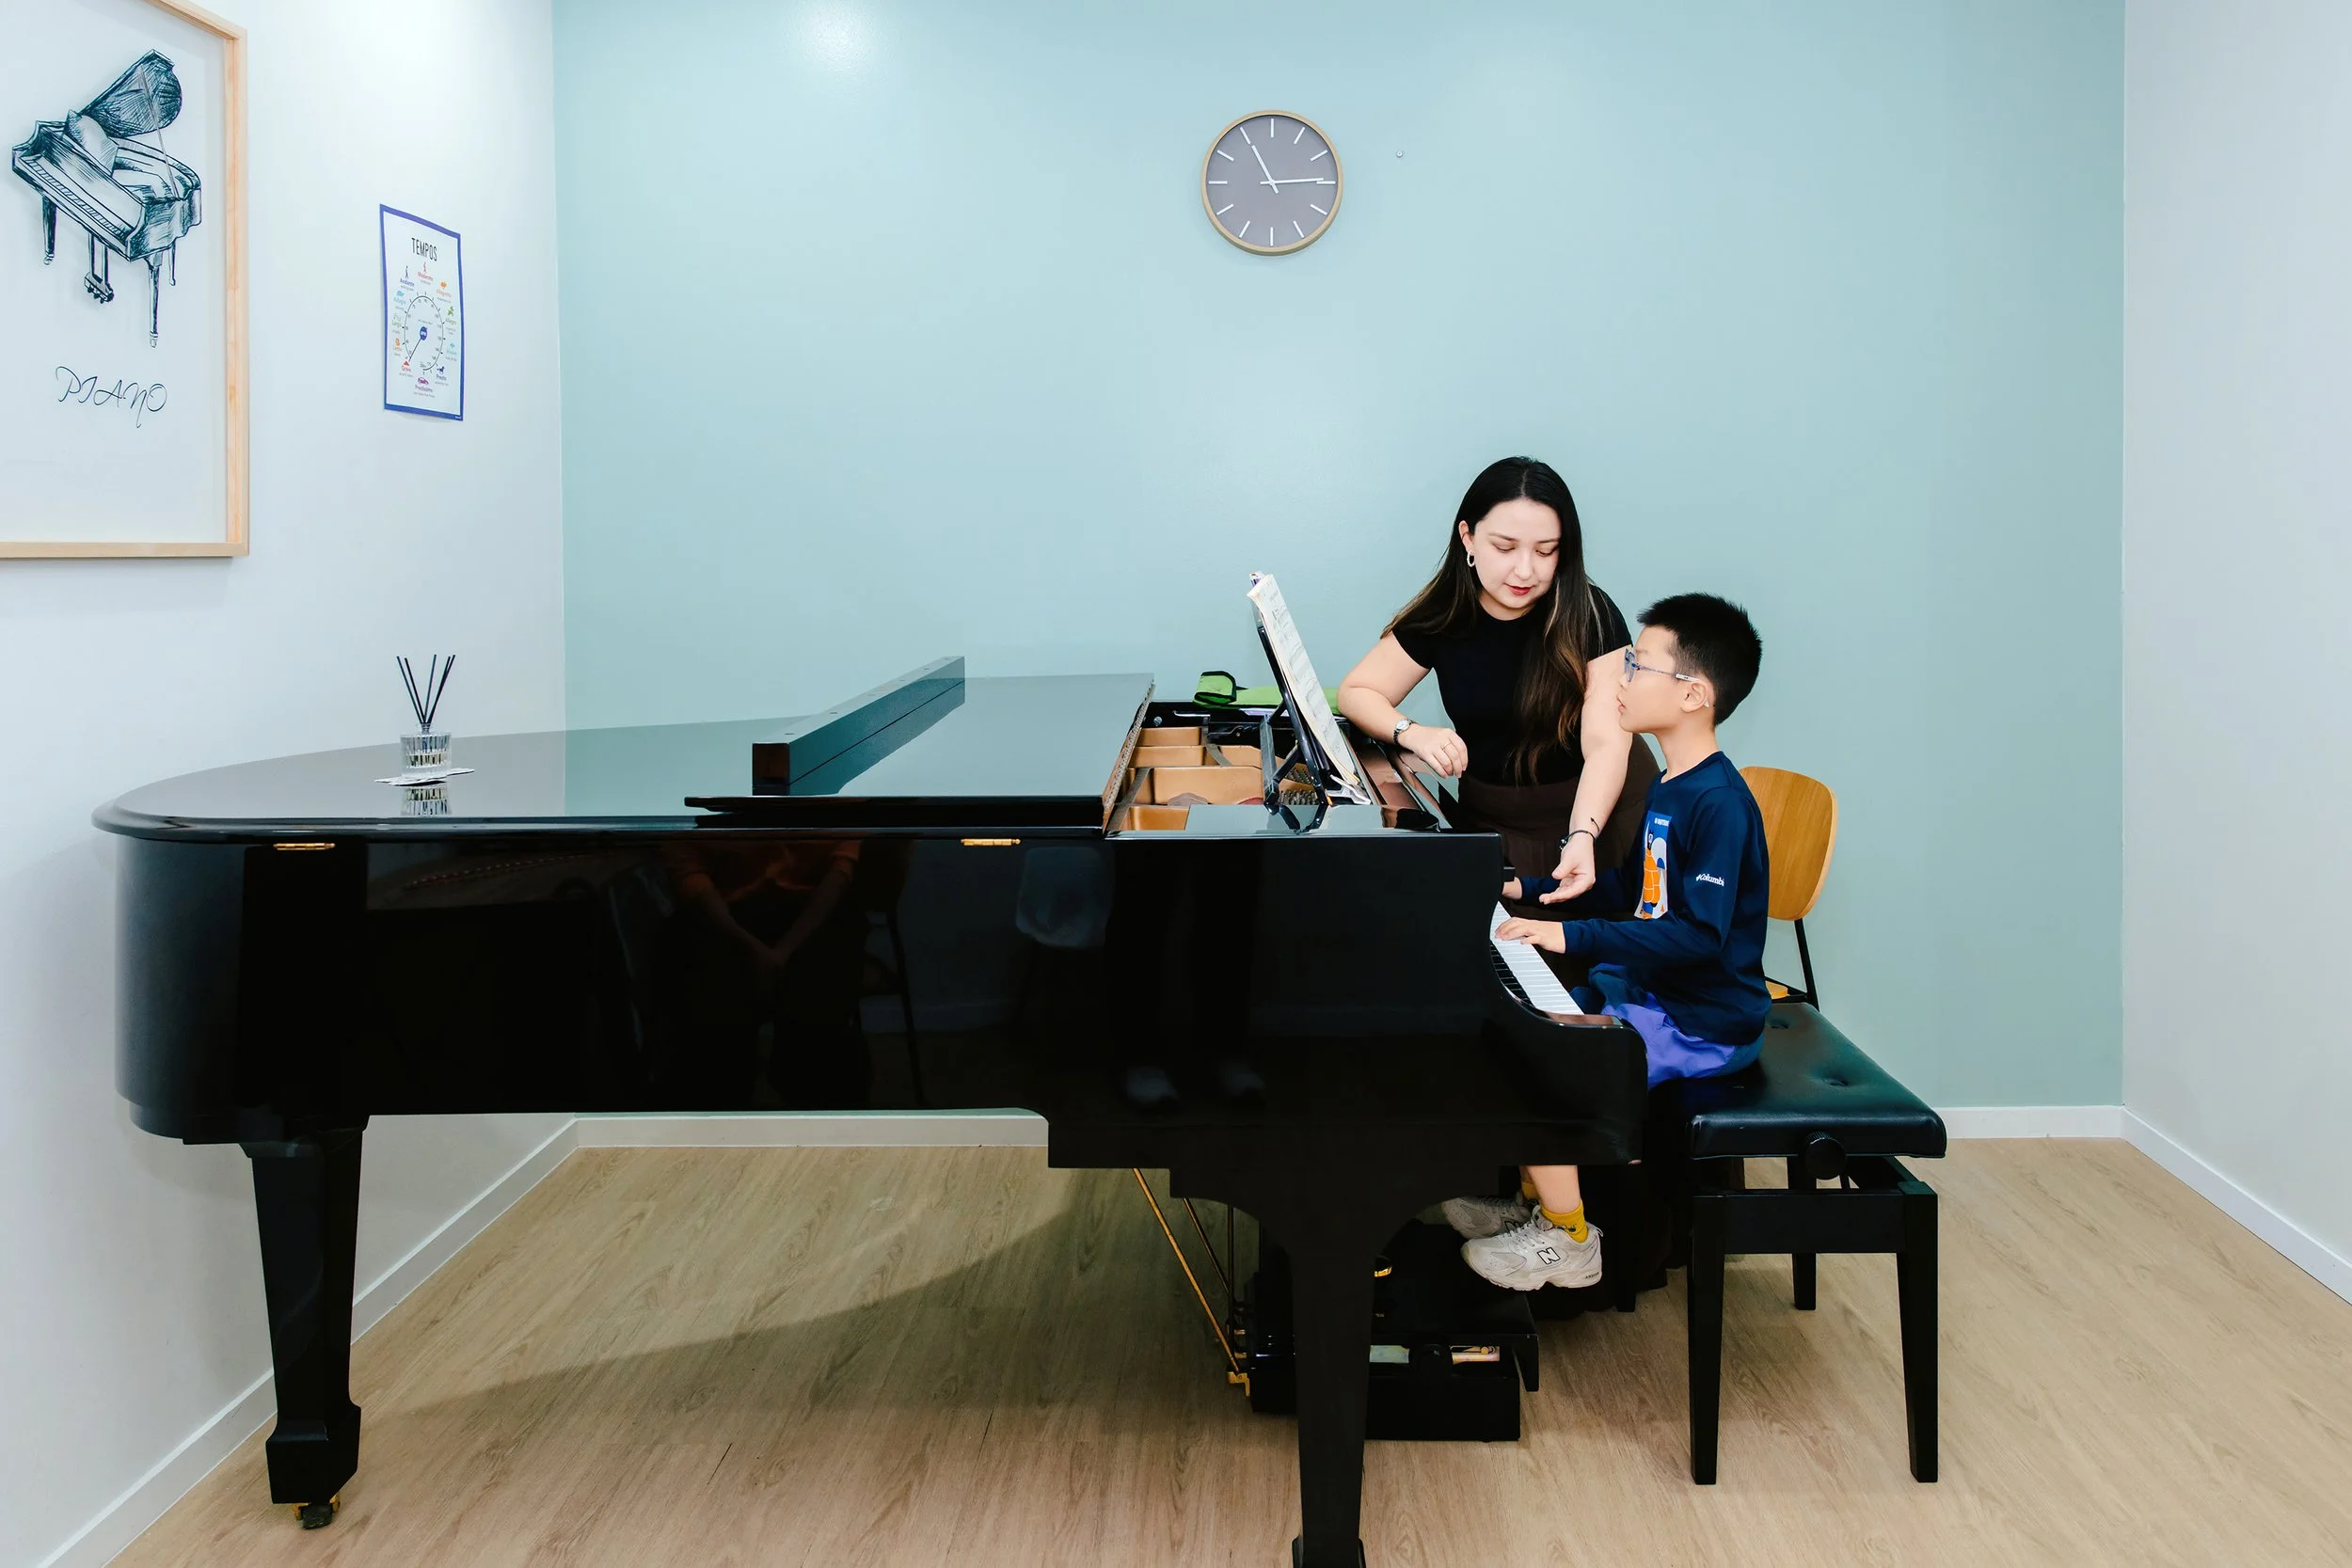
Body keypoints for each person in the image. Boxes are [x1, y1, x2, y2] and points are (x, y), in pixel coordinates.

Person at [1448, 594, 1770, 1291]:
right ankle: (1538, 1201)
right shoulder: (1673, 784)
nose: (1619, 677)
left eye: (1637, 665)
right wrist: (1530, 887)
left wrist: (1569, 935)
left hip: (1702, 1022)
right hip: (1653, 995)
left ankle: (1570, 1239)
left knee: (1550, 1063)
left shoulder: (1719, 803)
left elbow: (1698, 933)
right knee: (1520, 1030)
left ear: (1693, 694)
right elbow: (1634, 886)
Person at [1336, 457, 1654, 910]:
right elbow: (1357, 691)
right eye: (1505, 548)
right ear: (1468, 537)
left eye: (1545, 551)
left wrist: (1583, 833)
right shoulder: (1443, 614)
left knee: (1600, 948)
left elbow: (1606, 744)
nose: (1525, 571)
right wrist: (1413, 732)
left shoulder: (1592, 613)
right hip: (1497, 821)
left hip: (1600, 816)